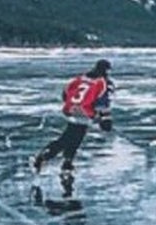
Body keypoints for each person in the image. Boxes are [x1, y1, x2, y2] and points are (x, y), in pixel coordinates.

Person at [32, 59, 114, 188]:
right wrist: (105, 119)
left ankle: (64, 162)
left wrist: (73, 105)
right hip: (84, 113)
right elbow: (102, 102)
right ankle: (47, 158)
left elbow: (65, 93)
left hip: (70, 110)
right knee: (72, 138)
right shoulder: (103, 83)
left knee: (71, 136)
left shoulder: (80, 79)